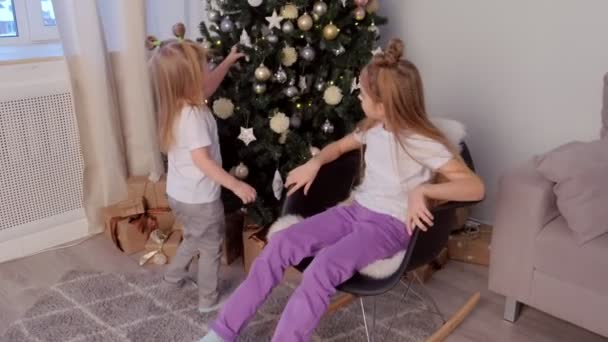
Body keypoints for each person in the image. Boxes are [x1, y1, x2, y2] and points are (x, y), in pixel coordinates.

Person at [201, 38, 485, 341]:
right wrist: (315, 163)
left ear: (384, 104)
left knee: (323, 269)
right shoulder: (373, 128)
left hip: (389, 226)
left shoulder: (422, 142)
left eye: (362, 93)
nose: (358, 97)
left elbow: (474, 187)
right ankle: (223, 331)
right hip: (354, 211)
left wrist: (424, 193)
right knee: (281, 244)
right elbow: (338, 147)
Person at [147, 23, 256, 313]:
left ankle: (172, 278)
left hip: (179, 195)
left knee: (194, 237)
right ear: (190, 81)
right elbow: (203, 162)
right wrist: (235, 184)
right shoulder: (193, 117)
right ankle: (209, 299)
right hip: (201, 200)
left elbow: (209, 85)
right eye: (205, 67)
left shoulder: (177, 105)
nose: (210, 71)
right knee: (210, 247)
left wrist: (228, 62)